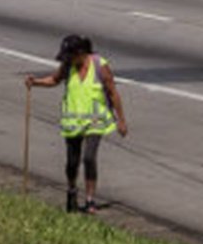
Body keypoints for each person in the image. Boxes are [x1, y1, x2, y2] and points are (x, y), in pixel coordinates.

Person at [26, 35, 127, 214]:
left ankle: (90, 200)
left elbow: (112, 92)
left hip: (95, 121)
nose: (67, 60)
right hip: (72, 123)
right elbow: (54, 80)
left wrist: (121, 120)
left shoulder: (99, 66)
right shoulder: (68, 66)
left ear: (80, 53)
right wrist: (36, 82)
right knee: (72, 162)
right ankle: (72, 190)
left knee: (89, 158)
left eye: (70, 56)